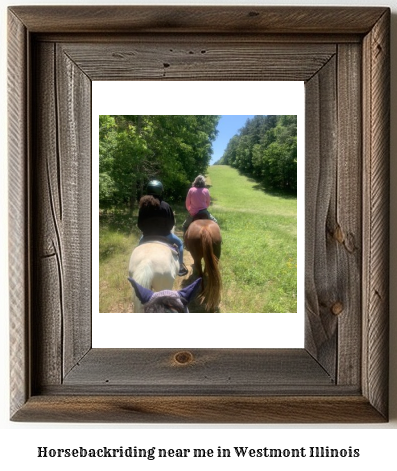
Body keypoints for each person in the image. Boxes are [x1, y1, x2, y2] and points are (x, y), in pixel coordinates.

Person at [138, 180, 188, 276]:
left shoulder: (143, 206)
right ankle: (181, 267)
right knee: (180, 244)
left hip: (146, 236)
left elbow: (140, 224)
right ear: (160, 191)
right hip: (165, 235)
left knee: (138, 248)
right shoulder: (165, 206)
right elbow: (171, 223)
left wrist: (146, 231)